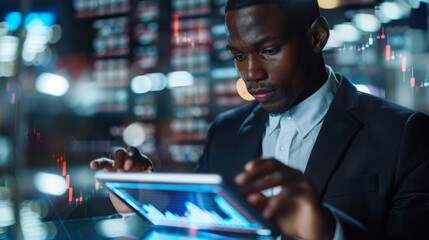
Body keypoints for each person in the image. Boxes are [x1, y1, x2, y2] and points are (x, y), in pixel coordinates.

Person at [91, 0, 429, 239]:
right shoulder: (224, 133)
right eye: (239, 55)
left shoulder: (404, 135)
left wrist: (328, 231)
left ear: (316, 37)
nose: (251, 73)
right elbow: (200, 230)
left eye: (268, 50)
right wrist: (140, 200)